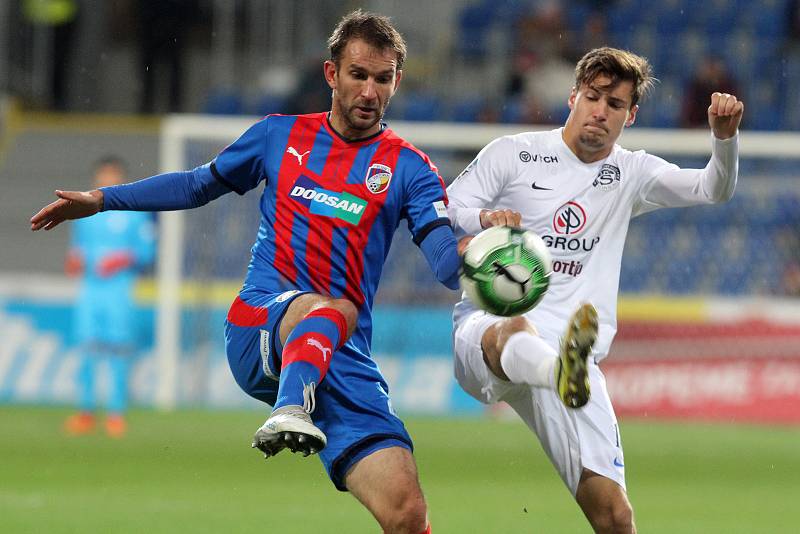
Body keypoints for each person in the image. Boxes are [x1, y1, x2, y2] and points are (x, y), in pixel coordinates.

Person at [31, 11, 462, 534]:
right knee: (332, 306)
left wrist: (484, 259)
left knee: (407, 513)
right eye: (358, 74)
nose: (369, 91)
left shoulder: (409, 168)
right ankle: (288, 406)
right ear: (331, 74)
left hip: (340, 354)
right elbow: (196, 186)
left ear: (396, 82)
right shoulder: (279, 137)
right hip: (261, 322)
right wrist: (102, 200)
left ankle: (300, 404)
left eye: (382, 78)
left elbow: (443, 261)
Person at [446, 47, 743, 533]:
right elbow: (450, 206)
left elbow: (713, 188)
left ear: (631, 115)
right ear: (573, 96)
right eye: (593, 97)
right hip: (488, 328)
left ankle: (563, 370)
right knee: (514, 323)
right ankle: (555, 369)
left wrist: (724, 140)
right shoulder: (513, 153)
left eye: (615, 104)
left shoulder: (633, 172)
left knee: (615, 517)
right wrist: (484, 219)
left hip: (575, 356)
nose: (601, 111)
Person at [63, 157, 155, 437]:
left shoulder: (136, 212)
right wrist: (75, 259)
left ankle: (116, 413)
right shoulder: (83, 212)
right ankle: (86, 411)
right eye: (103, 176)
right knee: (88, 348)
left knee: (118, 349)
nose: (107, 181)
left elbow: (148, 252)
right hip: (91, 289)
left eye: (112, 177)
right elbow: (78, 247)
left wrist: (123, 258)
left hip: (119, 290)